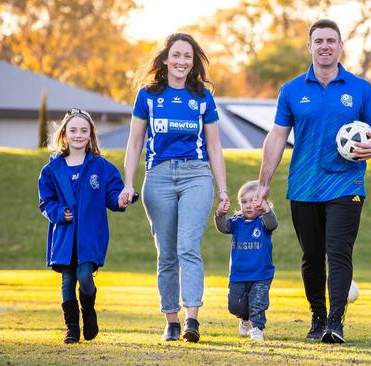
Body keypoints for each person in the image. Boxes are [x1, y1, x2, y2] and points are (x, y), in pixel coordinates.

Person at [252, 19, 371, 344]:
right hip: (304, 186)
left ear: (341, 47)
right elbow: (276, 138)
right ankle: (317, 318)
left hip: (347, 185)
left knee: (338, 252)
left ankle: (335, 322)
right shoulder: (291, 90)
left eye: (331, 40)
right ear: (310, 47)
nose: (325, 46)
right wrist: (263, 183)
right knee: (311, 256)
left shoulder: (360, 88)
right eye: (319, 41)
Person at [120, 33, 230, 343]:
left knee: (188, 247)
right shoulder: (147, 96)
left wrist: (223, 190)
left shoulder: (203, 97)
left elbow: (214, 146)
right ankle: (171, 320)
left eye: (188, 56)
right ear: (166, 59)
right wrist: (128, 183)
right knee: (167, 253)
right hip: (158, 177)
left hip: (196, 175)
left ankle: (192, 319)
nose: (182, 61)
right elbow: (135, 143)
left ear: (193, 62)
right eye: (177, 55)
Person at [38, 108, 131, 344]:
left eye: (84, 130)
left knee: (85, 276)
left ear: (91, 135)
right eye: (73, 130)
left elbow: (113, 196)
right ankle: (71, 329)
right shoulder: (51, 170)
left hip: (90, 236)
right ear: (64, 135)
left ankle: (89, 312)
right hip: (64, 237)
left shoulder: (102, 167)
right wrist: (60, 212)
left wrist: (121, 199)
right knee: (68, 281)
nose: (78, 135)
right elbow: (46, 203)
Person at [215, 180, 278, 341]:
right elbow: (223, 228)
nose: (248, 205)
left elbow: (273, 223)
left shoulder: (263, 222)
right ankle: (244, 319)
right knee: (235, 306)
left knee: (257, 304)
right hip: (238, 275)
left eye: (253, 201)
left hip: (261, 274)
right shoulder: (236, 222)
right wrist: (220, 215)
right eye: (244, 202)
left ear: (263, 203)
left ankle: (257, 328)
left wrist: (266, 211)